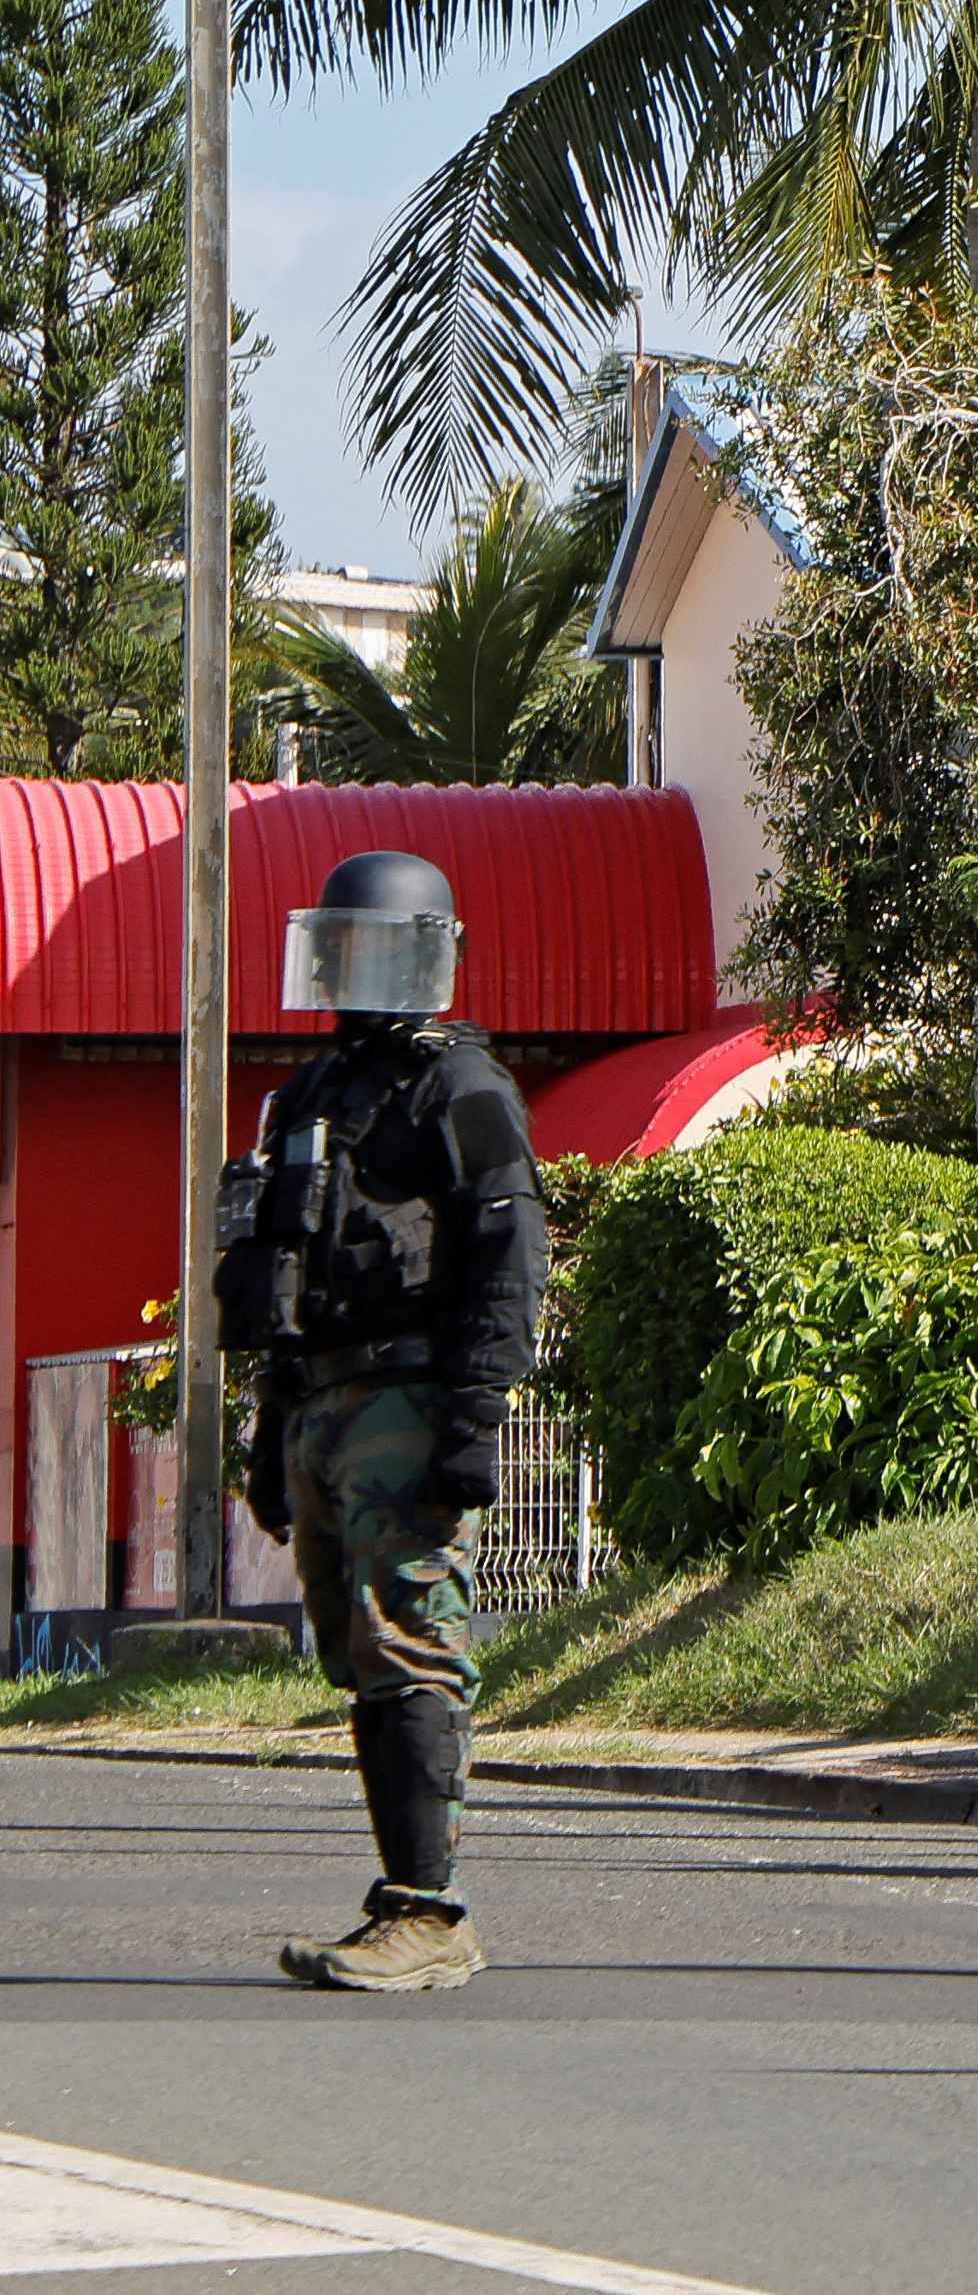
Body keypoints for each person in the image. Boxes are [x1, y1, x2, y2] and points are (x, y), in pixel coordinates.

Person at [221, 850, 551, 1994]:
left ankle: (429, 1913)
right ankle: (404, 1897)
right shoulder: (314, 1091)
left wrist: (475, 1414)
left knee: (410, 1639)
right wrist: (271, 1430)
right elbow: (281, 1268)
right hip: (323, 1402)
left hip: (407, 1400)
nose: (359, 973)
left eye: (382, 949)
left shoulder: (460, 1085)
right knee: (359, 1654)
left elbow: (509, 1255)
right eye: (343, 948)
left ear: (429, 956)